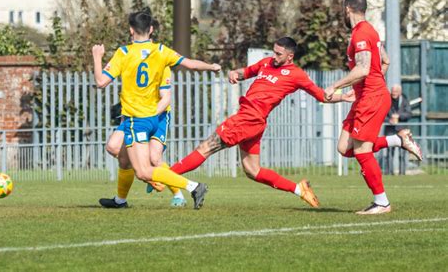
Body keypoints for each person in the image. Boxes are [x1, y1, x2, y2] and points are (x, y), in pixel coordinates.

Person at [168, 36, 355, 208]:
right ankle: (299, 189)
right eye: (273, 51)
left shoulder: (296, 74)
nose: (274, 56)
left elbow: (321, 95)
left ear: (290, 56)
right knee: (252, 170)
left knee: (205, 148)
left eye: (278, 54)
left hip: (249, 119)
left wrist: (343, 97)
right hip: (251, 120)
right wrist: (235, 73)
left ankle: (164, 177)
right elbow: (247, 72)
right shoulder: (267, 63)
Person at [92, 11, 221, 210]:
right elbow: (190, 64)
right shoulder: (161, 51)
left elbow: (101, 82)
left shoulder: (124, 53)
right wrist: (211, 66)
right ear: (151, 30)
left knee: (143, 171)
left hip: (137, 119)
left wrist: (97, 56)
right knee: (123, 157)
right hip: (152, 117)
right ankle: (120, 200)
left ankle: (193, 187)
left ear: (131, 30)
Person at [324, 0, 422, 215]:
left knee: (362, 151)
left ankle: (382, 202)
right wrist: (361, 88)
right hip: (366, 96)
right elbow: (384, 61)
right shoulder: (370, 32)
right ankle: (397, 140)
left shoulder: (361, 33)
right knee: (344, 148)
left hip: (371, 98)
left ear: (347, 8)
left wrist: (336, 86)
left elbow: (364, 68)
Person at [99, 67, 187, 208]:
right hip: (134, 115)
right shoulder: (132, 60)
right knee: (113, 146)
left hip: (158, 116)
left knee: (154, 158)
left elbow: (165, 98)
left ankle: (179, 195)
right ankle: (121, 200)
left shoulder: (161, 62)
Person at [381, 84, 413, 175]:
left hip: (402, 130)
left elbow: (409, 114)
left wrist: (399, 116)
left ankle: (402, 173)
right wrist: (389, 120)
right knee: (390, 153)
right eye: (393, 92)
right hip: (390, 130)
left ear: (400, 92)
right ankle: (389, 172)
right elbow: (382, 114)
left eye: (395, 92)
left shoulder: (405, 101)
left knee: (402, 153)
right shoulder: (387, 100)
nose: (394, 93)